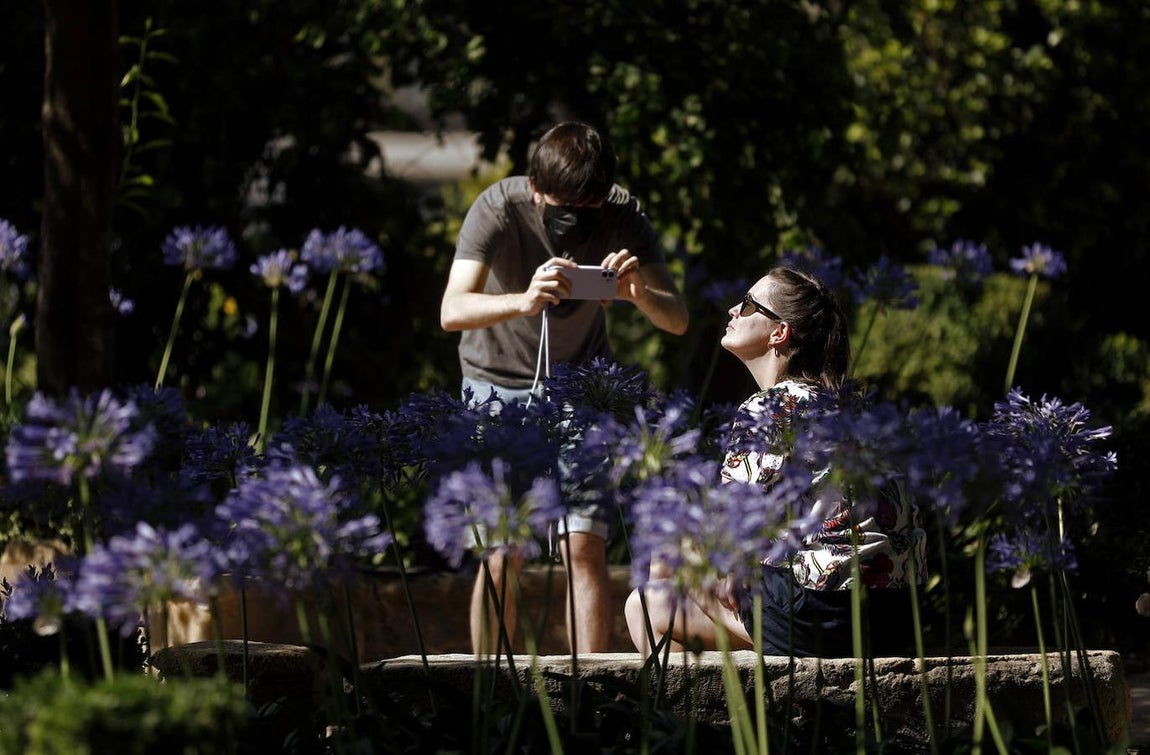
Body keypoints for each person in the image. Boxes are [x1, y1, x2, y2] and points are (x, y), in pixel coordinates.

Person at [440, 121, 689, 655]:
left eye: (589, 205)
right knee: (502, 551)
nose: (575, 218)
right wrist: (525, 301)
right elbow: (452, 309)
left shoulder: (623, 212)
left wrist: (636, 293)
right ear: (535, 186)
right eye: (563, 205)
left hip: (582, 390)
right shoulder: (498, 207)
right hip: (494, 386)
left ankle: (589, 696)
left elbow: (677, 320)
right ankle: (488, 690)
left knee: (584, 546)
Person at [624, 266, 925, 657]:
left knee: (650, 595)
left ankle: (693, 715)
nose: (733, 309)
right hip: (893, 620)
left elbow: (729, 527)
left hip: (825, 619)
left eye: (748, 305)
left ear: (779, 332)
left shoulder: (772, 406)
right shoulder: (855, 408)